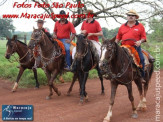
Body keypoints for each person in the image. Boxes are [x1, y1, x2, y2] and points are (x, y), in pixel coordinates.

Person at [115, 10, 146, 83]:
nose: (130, 16)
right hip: (123, 47)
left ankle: (141, 76)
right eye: (129, 15)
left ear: (135, 17)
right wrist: (115, 44)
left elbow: (144, 38)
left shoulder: (140, 26)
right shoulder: (122, 26)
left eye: (132, 15)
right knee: (112, 57)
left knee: (141, 59)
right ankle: (111, 74)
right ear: (127, 17)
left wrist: (140, 41)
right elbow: (118, 37)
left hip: (135, 47)